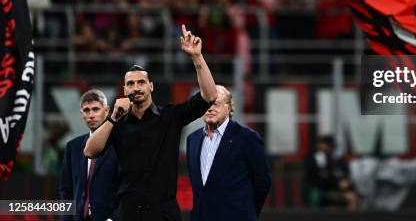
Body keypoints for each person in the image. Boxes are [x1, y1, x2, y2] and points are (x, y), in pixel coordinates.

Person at [84, 25, 218, 221]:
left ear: (151, 86)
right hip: (129, 212)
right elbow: (89, 151)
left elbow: (210, 96)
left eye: (141, 82)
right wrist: (112, 117)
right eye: (130, 84)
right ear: (124, 89)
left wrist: (197, 57)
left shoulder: (170, 116)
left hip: (163, 212)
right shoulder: (117, 123)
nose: (136, 88)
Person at [186, 85, 271, 220]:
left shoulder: (247, 137)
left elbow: (263, 181)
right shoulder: (193, 139)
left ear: (229, 107)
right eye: (206, 104)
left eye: (216, 104)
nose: (210, 108)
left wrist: (247, 212)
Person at [60, 89, 119, 221]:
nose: (91, 115)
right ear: (82, 114)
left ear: (107, 110)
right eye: (87, 110)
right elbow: (66, 189)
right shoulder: (72, 147)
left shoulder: (119, 145)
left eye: (95, 109)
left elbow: (126, 188)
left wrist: (113, 219)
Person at [305, 135, 359, 209]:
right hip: (321, 189)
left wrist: (344, 181)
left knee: (352, 196)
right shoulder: (316, 159)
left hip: (338, 188)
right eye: (323, 144)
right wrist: (337, 182)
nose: (322, 146)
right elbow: (317, 177)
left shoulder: (337, 159)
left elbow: (344, 174)